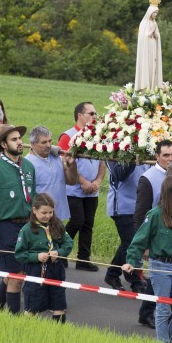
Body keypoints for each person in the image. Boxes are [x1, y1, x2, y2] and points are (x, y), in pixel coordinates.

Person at [124, 173, 172, 343]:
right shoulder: (155, 214)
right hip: (160, 266)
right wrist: (131, 261)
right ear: (169, 192)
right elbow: (139, 240)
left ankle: (165, 339)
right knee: (163, 309)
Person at [0, 124, 36, 315]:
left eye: (19, 138)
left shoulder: (28, 166)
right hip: (6, 226)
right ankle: (14, 318)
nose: (20, 142)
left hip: (27, 226)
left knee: (16, 273)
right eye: (14, 139)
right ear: (3, 144)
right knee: (17, 275)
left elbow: (33, 199)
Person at [59, 101, 106, 271]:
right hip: (74, 189)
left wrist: (98, 182)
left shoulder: (98, 137)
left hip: (91, 190)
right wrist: (83, 182)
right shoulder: (68, 136)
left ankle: (83, 259)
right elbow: (66, 163)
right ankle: (61, 252)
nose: (95, 117)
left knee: (88, 224)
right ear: (80, 115)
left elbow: (102, 162)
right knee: (76, 221)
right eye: (91, 113)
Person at [15, 192, 74, 320]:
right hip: (36, 270)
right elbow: (19, 254)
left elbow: (68, 243)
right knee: (33, 305)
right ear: (34, 210)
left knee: (58, 302)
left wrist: (59, 253)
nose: (48, 216)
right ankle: (29, 333)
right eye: (44, 213)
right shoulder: (26, 230)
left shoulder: (57, 225)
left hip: (56, 269)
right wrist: (36, 256)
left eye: (51, 212)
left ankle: (58, 333)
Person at [104, 159, 148, 296]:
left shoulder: (146, 148)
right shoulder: (116, 152)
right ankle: (134, 280)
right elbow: (119, 174)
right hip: (122, 207)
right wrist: (133, 159)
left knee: (127, 242)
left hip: (140, 206)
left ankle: (112, 273)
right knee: (131, 243)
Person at [26, 126, 72, 223]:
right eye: (44, 142)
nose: (48, 145)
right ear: (33, 144)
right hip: (41, 217)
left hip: (59, 214)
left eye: (50, 141)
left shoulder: (56, 157)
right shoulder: (27, 164)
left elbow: (71, 181)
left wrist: (71, 165)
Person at [132, 139, 172, 230]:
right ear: (157, 156)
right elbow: (141, 214)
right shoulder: (147, 178)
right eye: (166, 155)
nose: (171, 159)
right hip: (159, 230)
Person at [134, 0, 163, 89]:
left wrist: (156, 35)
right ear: (150, 12)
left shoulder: (155, 23)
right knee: (147, 65)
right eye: (154, 13)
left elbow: (158, 36)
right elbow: (143, 37)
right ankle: (145, 86)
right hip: (146, 48)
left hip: (153, 45)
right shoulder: (143, 23)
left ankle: (153, 86)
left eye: (156, 13)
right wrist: (150, 32)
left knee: (153, 66)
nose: (155, 15)